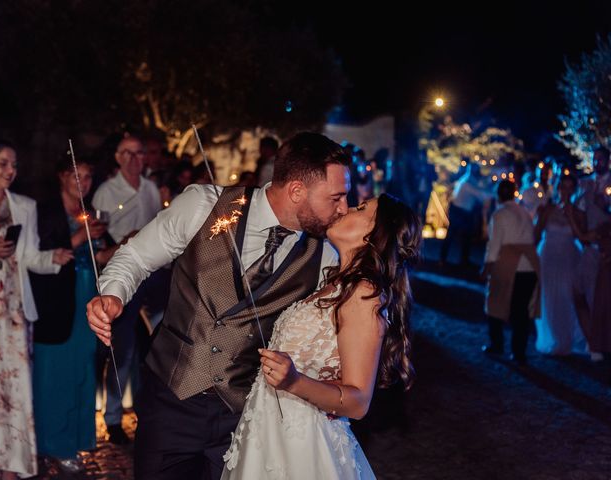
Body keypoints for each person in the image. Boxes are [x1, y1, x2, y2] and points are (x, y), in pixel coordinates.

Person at [86, 132, 351, 479]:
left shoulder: (325, 256)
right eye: (336, 197)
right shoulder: (203, 205)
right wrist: (113, 293)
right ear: (297, 191)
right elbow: (135, 255)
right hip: (171, 400)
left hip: (243, 418)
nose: (343, 208)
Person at [221, 194, 420, 479]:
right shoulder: (332, 282)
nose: (348, 208)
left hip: (301, 445)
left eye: (361, 209)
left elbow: (359, 401)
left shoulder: (364, 294)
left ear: (373, 235)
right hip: (268, 430)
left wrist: (294, 380)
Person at [0, 140, 72, 479]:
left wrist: (52, 259)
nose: (10, 171)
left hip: (14, 313)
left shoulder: (25, 207)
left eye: (14, 165)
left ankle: (10, 468)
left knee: (12, 393)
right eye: (3, 163)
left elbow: (27, 257)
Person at [29, 157, 115, 473]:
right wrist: (82, 235)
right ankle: (51, 445)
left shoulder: (89, 214)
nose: (84, 183)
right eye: (78, 176)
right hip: (55, 305)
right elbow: (42, 257)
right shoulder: (45, 212)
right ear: (62, 177)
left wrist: (122, 248)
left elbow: (99, 255)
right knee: (54, 377)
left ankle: (75, 442)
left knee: (81, 372)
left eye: (89, 177)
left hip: (86, 297)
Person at [91, 135, 164, 444]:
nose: (136, 159)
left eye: (140, 153)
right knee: (120, 349)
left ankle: (149, 413)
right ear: (118, 157)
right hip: (121, 278)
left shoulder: (149, 189)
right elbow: (97, 236)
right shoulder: (107, 192)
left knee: (153, 348)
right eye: (129, 154)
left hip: (153, 277)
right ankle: (112, 417)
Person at [482, 180, 539, 364]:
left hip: (508, 263)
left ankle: (497, 344)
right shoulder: (524, 212)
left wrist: (488, 266)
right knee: (520, 311)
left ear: (498, 194)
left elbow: (494, 244)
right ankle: (518, 352)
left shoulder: (499, 214)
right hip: (529, 265)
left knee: (496, 303)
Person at [534, 175, 586, 355]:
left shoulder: (578, 213)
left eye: (570, 187)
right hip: (548, 254)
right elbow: (536, 233)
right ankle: (552, 337)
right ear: (558, 188)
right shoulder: (548, 209)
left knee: (566, 295)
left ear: (574, 190)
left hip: (568, 256)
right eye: (563, 187)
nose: (566, 191)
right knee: (548, 296)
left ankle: (566, 337)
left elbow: (582, 237)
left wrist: (571, 215)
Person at [573, 146, 611, 361]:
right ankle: (592, 339)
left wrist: (605, 206)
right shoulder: (586, 183)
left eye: (601, 160)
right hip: (588, 247)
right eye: (594, 160)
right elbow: (579, 210)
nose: (597, 163)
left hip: (605, 248)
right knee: (578, 293)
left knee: (601, 299)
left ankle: (598, 345)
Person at [440, 163, 492, 266]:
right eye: (477, 172)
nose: (479, 173)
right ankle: (444, 259)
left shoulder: (469, 180)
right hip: (459, 211)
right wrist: (493, 193)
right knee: (452, 236)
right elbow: (481, 195)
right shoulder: (467, 182)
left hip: (461, 211)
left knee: (465, 236)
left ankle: (461, 260)